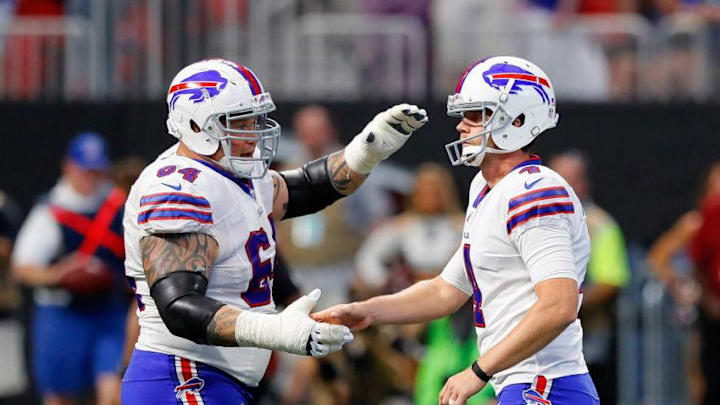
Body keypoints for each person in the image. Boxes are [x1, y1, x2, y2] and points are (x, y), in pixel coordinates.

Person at [120, 58, 428, 405]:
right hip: (184, 376)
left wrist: (367, 151)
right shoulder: (177, 187)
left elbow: (308, 188)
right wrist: (274, 330)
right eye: (239, 122)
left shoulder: (230, 173)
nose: (252, 133)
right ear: (197, 126)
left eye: (254, 119)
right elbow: (179, 306)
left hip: (218, 378)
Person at [314, 56, 599, 405]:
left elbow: (559, 306)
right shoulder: (486, 187)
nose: (463, 126)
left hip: (545, 383)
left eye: (477, 114)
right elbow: (446, 291)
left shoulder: (535, 192)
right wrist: (369, 310)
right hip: (523, 381)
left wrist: (478, 371)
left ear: (519, 120)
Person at [11, 132, 129, 405]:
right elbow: (23, 268)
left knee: (113, 393)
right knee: (61, 397)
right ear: (69, 167)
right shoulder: (51, 210)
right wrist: (59, 275)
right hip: (64, 314)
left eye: (96, 171)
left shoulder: (117, 205)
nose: (90, 177)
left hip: (108, 312)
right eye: (84, 170)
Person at [549, 150, 630, 405]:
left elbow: (610, 281)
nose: (560, 184)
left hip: (587, 340)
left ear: (583, 183)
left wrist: (561, 306)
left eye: (569, 178)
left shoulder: (600, 225)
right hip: (538, 340)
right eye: (555, 177)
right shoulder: (535, 217)